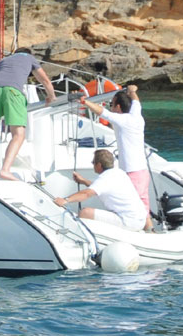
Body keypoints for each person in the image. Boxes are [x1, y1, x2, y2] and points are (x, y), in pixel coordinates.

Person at [83, 84, 152, 230]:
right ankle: (150, 231)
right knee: (143, 204)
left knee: (135, 206)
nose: (110, 108)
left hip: (132, 171)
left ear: (119, 107)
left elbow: (103, 113)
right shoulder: (136, 114)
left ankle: (142, 232)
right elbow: (136, 101)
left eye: (111, 105)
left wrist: (85, 102)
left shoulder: (125, 120)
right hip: (142, 170)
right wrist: (133, 90)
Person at [0, 47, 56, 180]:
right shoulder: (29, 58)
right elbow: (45, 80)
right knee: (18, 134)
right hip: (13, 92)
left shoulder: (3, 61)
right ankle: (5, 170)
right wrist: (51, 96)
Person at [54, 149, 148, 231]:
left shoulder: (105, 178)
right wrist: (83, 181)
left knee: (85, 213)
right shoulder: (119, 173)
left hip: (128, 221)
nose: (93, 164)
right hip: (140, 220)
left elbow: (86, 194)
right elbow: (101, 187)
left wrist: (65, 200)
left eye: (93, 162)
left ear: (99, 165)